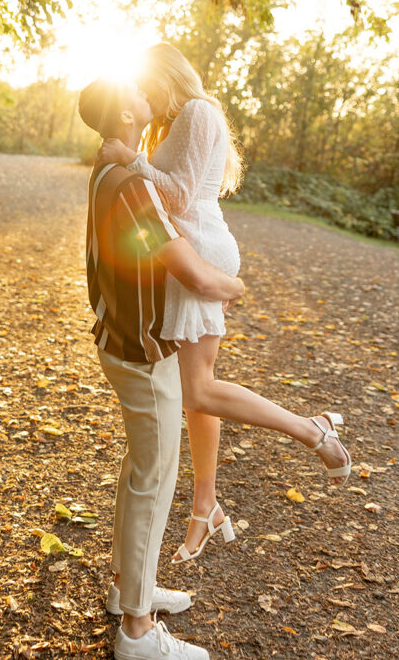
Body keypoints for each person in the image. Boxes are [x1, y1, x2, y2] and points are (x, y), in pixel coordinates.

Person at [98, 43, 351, 566]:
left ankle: (313, 431)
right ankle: (206, 507)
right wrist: (138, 147)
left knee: (199, 388)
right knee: (198, 394)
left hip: (200, 255)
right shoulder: (179, 120)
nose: (145, 96)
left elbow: (181, 196)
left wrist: (131, 159)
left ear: (169, 77)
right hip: (185, 255)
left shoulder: (196, 111)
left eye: (148, 86)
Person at [79, 78, 245, 660]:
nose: (149, 95)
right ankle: (138, 631)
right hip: (141, 352)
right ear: (126, 113)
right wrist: (235, 285)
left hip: (121, 341)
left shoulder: (107, 172)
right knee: (153, 484)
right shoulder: (133, 190)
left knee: (139, 472)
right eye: (138, 93)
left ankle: (132, 587)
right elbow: (194, 275)